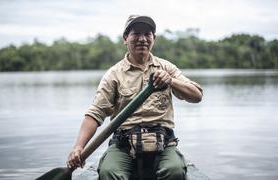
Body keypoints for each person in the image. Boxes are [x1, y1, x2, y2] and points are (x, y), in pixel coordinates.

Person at [67, 15, 203, 180]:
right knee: (109, 173)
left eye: (147, 34)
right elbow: (95, 114)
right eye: (136, 33)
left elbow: (197, 96)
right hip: (123, 145)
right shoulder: (113, 74)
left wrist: (171, 81)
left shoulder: (167, 68)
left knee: (174, 171)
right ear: (125, 38)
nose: (142, 39)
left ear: (154, 38)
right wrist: (78, 148)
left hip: (163, 143)